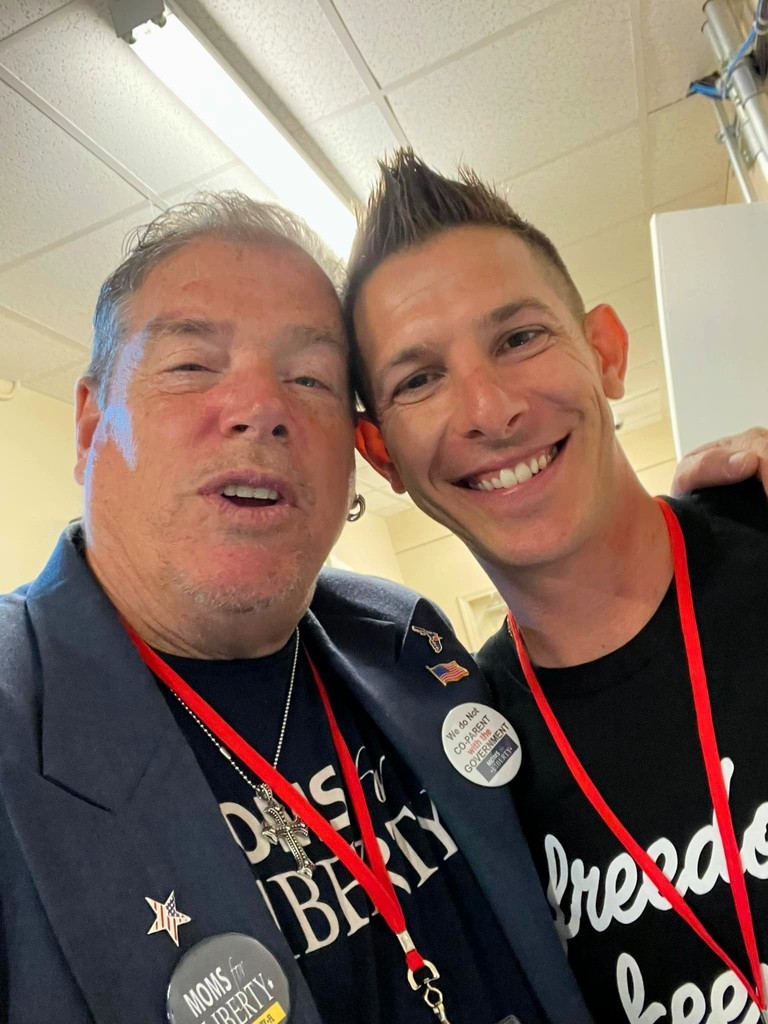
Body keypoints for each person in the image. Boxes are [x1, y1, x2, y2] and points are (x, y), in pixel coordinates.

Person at [0, 193, 596, 1024]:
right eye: (192, 365)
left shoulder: (408, 639)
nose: (261, 409)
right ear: (91, 425)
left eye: (310, 378)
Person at [346, 151, 768, 1024]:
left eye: (518, 338)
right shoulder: (459, 763)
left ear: (604, 352)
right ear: (381, 453)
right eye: (419, 379)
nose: (490, 410)